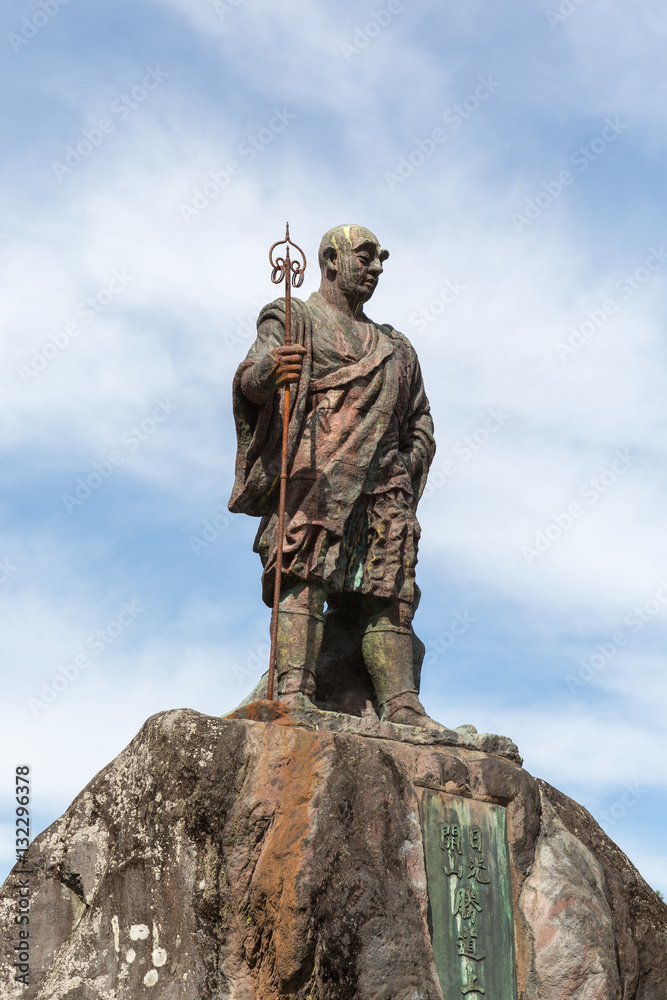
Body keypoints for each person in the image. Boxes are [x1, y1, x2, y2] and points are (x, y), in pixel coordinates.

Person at [229, 224, 444, 730]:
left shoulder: (396, 347)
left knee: (388, 592)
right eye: (365, 257)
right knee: (301, 577)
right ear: (330, 259)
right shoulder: (293, 318)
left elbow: (420, 419)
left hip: (384, 484)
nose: (375, 269)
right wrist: (271, 373)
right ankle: (293, 690)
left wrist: (406, 471)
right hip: (314, 473)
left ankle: (402, 704)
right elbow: (249, 378)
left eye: (380, 261)